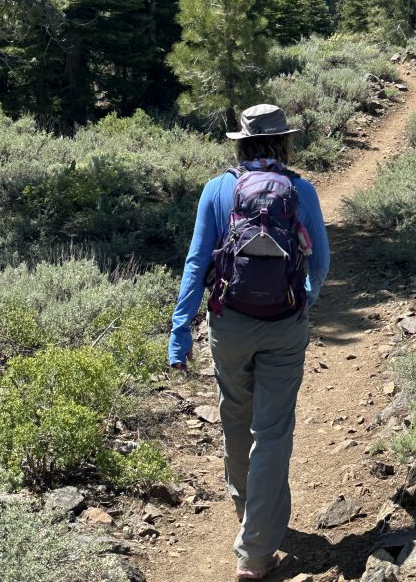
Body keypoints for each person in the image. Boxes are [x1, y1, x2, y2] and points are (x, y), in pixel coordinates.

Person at [169, 103, 330, 580]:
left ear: (239, 142)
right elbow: (319, 263)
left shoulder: (218, 189)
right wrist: (303, 301)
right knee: (273, 432)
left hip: (229, 324)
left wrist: (181, 331)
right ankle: (255, 552)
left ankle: (247, 509)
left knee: (235, 420)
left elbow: (197, 264)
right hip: (284, 324)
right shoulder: (301, 190)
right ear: (285, 142)